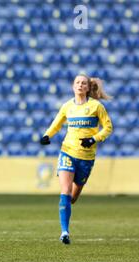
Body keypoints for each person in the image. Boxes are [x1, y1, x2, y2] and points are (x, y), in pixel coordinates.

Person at [39, 74, 113, 245]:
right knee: (65, 191)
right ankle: (64, 232)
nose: (80, 85)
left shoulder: (96, 106)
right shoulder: (67, 106)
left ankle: (66, 211)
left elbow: (108, 127)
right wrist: (46, 135)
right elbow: (56, 123)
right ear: (73, 86)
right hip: (68, 152)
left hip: (86, 158)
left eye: (83, 83)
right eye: (77, 82)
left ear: (88, 88)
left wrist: (93, 139)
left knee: (72, 197)